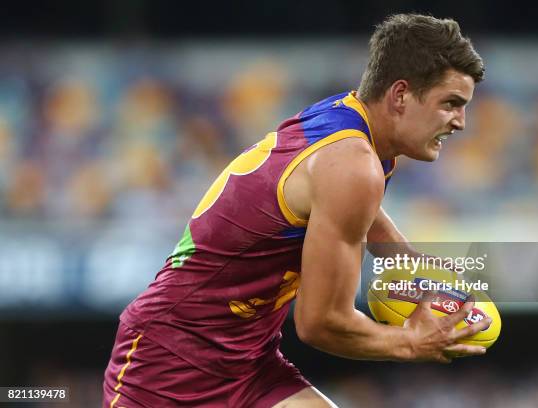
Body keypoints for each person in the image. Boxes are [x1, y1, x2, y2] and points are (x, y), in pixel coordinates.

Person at [103, 13, 491, 408]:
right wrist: (412, 342)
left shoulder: (354, 125)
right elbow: (322, 324)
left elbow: (352, 208)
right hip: (169, 363)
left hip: (247, 361)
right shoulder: (353, 163)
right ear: (401, 95)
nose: (460, 122)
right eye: (451, 104)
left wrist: (412, 263)